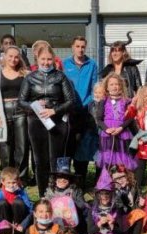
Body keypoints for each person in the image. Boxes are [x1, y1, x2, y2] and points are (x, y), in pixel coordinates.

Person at [18, 44, 77, 197]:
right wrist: (33, 105)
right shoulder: (30, 78)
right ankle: (43, 194)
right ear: (37, 59)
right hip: (36, 122)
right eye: (43, 59)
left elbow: (71, 101)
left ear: (54, 59)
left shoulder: (61, 77)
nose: (46, 62)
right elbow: (21, 101)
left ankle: (57, 193)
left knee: (56, 159)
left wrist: (54, 110)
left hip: (57, 122)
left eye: (49, 59)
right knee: (40, 160)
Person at [0, 46, 31, 182]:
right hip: (2, 112)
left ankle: (21, 178)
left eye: (16, 57)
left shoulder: (25, 74)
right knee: (4, 147)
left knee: (22, 146)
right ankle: (7, 177)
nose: (13, 59)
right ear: (5, 56)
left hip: (20, 112)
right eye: (10, 56)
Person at [64, 36, 100, 183]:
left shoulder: (92, 64)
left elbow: (95, 86)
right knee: (69, 145)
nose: (80, 49)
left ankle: (80, 180)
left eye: (83, 46)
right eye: (77, 46)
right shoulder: (65, 64)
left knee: (82, 145)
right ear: (72, 47)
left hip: (85, 110)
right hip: (69, 111)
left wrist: (90, 103)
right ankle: (66, 179)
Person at [95, 73, 137, 172]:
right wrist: (106, 129)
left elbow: (130, 118)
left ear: (121, 86)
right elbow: (99, 119)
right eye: (112, 84)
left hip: (122, 133)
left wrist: (121, 128)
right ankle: (106, 180)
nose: (114, 87)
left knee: (122, 157)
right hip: (107, 134)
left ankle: (123, 180)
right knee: (108, 157)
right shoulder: (104, 101)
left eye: (117, 84)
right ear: (107, 87)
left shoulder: (127, 101)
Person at [43, 160, 88, 231]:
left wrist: (72, 201)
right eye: (59, 177)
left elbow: (82, 205)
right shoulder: (50, 190)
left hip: (72, 221)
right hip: (54, 219)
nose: (62, 179)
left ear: (70, 179)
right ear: (55, 179)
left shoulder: (75, 190)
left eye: (65, 177)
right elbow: (44, 206)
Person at [0, 167, 33, 232]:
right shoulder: (0, 193)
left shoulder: (21, 192)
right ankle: (4, 228)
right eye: (8, 183)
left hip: (19, 220)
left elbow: (30, 210)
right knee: (1, 203)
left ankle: (17, 229)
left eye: (14, 182)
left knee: (18, 202)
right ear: (3, 182)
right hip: (5, 218)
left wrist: (23, 225)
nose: (11, 185)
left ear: (18, 181)